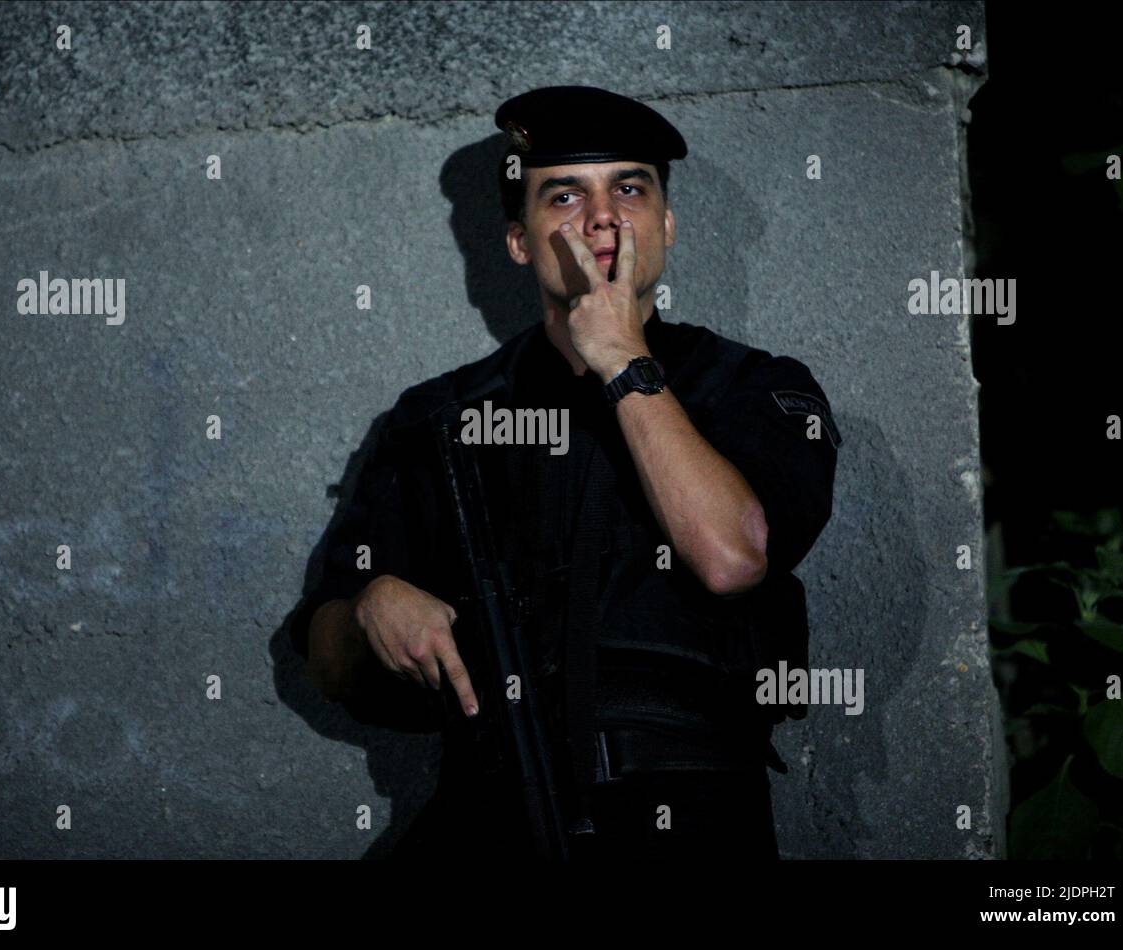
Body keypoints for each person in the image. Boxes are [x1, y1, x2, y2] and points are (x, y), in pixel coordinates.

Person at [292, 85, 840, 860]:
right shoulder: (442, 418)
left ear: (666, 224)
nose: (603, 215)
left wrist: (622, 358)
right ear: (520, 242)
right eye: (564, 195)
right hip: (495, 806)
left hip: (689, 816)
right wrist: (370, 609)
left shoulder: (751, 389)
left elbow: (732, 555)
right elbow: (327, 657)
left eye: (629, 187)